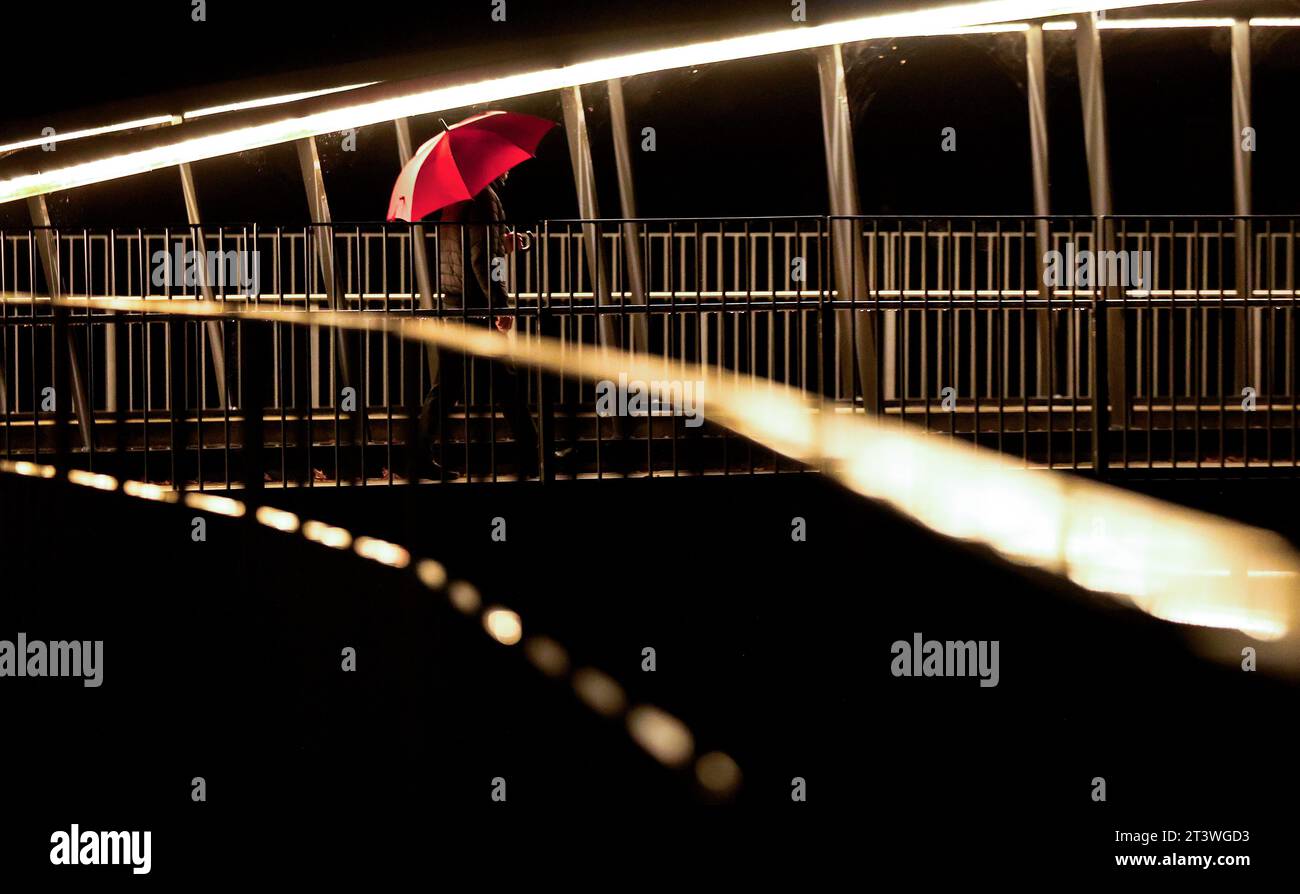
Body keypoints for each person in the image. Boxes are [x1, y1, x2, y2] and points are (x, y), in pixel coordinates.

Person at [417, 172, 539, 478]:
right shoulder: (484, 198)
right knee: (506, 383)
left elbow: (473, 248)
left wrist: (509, 241)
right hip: (477, 308)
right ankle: (532, 454)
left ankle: (418, 456)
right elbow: (483, 259)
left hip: (454, 303)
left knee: (446, 385)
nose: (509, 171)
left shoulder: (457, 199)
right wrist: (501, 306)